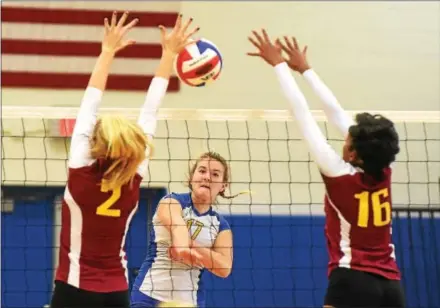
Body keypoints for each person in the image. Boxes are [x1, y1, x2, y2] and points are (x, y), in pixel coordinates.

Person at [247, 29, 405, 308]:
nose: (344, 136)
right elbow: (336, 113)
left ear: (353, 153)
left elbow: (303, 114)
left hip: (352, 280)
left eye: (348, 138)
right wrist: (307, 71)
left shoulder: (339, 177)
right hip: (392, 287)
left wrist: (280, 66)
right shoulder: (383, 170)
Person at [50, 12, 197, 308]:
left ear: (97, 143)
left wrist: (107, 52)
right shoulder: (135, 174)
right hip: (116, 293)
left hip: (73, 290)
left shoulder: (81, 169)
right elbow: (150, 112)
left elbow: (90, 103)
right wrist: (169, 54)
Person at [130, 151, 234, 308]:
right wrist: (205, 255)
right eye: (202, 171)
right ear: (192, 178)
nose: (207, 177)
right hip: (149, 295)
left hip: (189, 301)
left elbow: (224, 268)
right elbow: (180, 247)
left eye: (215, 174)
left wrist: (190, 247)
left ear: (223, 186)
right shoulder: (171, 202)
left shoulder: (220, 225)